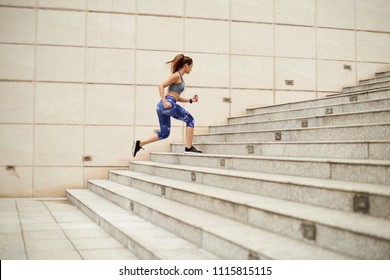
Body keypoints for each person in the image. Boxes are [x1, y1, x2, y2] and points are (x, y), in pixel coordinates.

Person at [132, 54, 202, 157]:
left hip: (163, 106)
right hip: (167, 104)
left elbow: (176, 97)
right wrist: (165, 102)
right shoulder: (176, 75)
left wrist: (190, 100)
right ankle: (188, 147)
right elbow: (161, 86)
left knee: (164, 133)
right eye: (191, 66)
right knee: (190, 119)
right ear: (186, 65)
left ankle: (140, 143)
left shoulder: (180, 78)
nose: (191, 69)